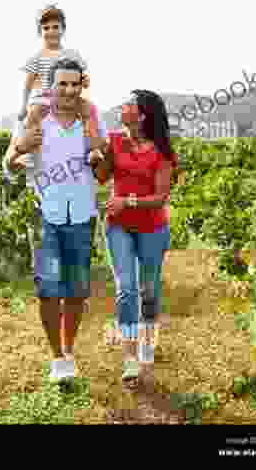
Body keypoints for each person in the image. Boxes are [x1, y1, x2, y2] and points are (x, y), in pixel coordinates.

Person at [4, 57, 103, 382]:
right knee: (48, 290)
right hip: (46, 214)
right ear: (51, 87)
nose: (69, 90)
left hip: (82, 215)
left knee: (76, 290)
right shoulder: (36, 118)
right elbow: (9, 162)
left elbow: (103, 170)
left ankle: (69, 350)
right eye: (63, 83)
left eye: (75, 84)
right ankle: (57, 357)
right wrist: (20, 150)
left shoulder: (90, 118)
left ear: (82, 85)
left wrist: (97, 153)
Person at [88, 89, 177, 385]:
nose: (122, 107)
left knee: (148, 289)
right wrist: (95, 157)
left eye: (128, 104)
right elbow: (102, 176)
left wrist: (127, 201)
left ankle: (148, 338)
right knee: (126, 288)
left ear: (141, 115)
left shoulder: (160, 150)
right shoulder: (114, 141)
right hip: (118, 226)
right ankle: (129, 357)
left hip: (152, 227)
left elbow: (161, 196)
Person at [19, 4, 100, 146]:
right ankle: (30, 150)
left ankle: (93, 147)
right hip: (44, 98)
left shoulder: (72, 54)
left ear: (63, 29)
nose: (51, 31)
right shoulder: (36, 58)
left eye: (56, 27)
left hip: (69, 95)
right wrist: (23, 106)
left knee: (89, 109)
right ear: (40, 32)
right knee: (33, 114)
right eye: (46, 28)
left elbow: (83, 77)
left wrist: (85, 81)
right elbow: (27, 85)